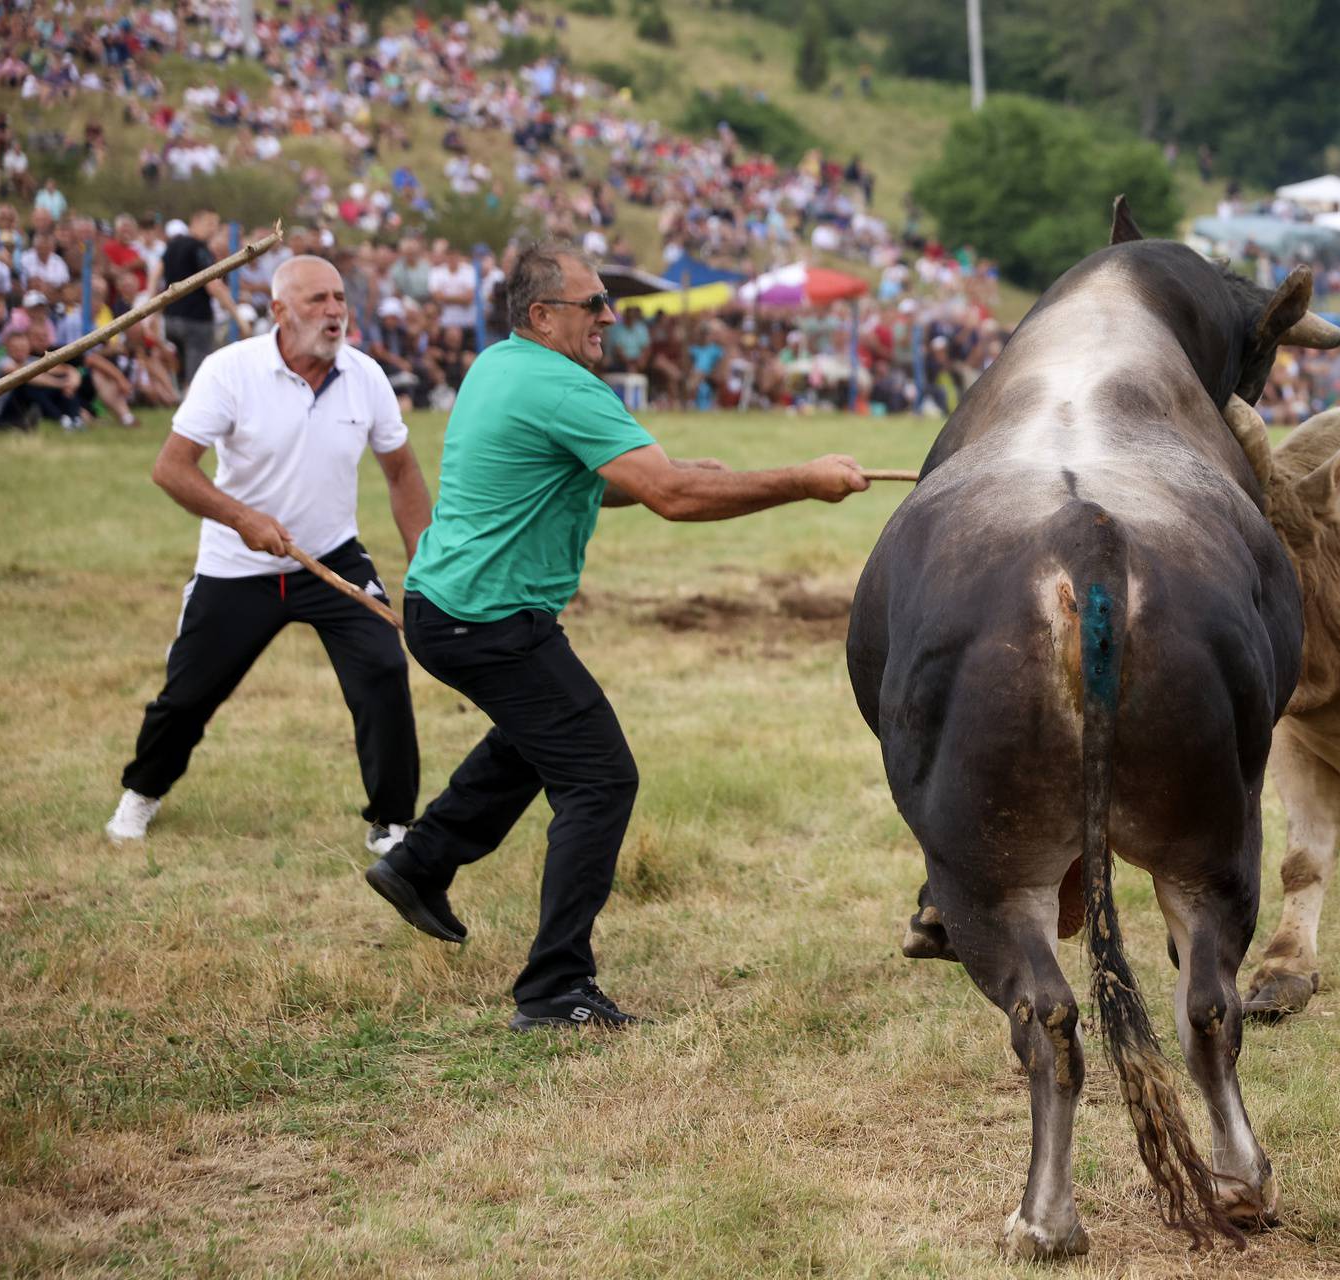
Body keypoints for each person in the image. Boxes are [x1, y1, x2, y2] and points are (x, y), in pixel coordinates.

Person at [363, 243, 868, 1033]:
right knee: (599, 779)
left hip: (449, 608)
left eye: (607, 301)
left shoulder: (500, 366)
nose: (609, 314)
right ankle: (554, 989)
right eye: (591, 303)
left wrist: (664, 474)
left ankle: (418, 864)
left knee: (539, 738)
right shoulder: (561, 384)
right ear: (540, 315)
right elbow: (672, 496)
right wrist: (801, 482)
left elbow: (596, 481)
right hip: (489, 620)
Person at [105, 256, 433, 854]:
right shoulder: (230, 371)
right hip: (237, 567)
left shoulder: (366, 376)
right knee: (188, 696)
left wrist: (426, 565)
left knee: (384, 669)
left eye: (339, 298)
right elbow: (171, 470)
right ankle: (143, 792)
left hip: (332, 559)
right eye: (317, 301)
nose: (334, 311)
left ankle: (392, 822)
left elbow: (403, 472)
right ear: (279, 311)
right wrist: (243, 519)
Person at [160, 208, 255, 383]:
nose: (213, 229)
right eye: (209, 223)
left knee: (183, 374)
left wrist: (155, 309)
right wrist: (237, 316)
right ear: (195, 221)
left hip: (171, 318)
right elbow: (214, 285)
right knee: (196, 377)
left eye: (216, 225)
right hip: (196, 320)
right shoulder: (199, 248)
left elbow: (157, 272)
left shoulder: (172, 245)